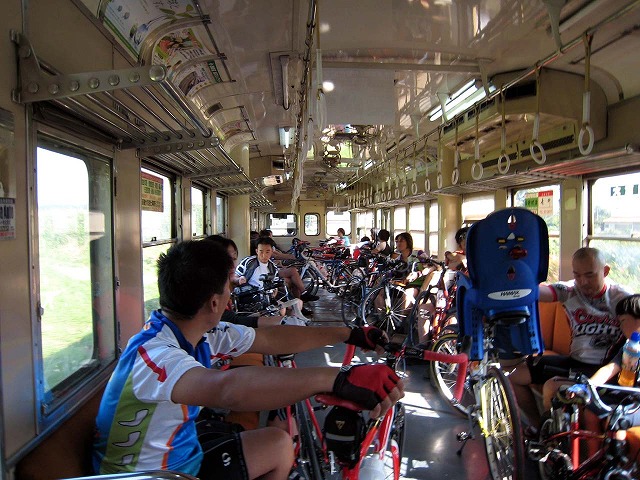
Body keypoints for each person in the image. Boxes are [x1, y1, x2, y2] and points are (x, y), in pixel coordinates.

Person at [92, 240, 404, 478]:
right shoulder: (155, 356)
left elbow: (269, 338)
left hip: (184, 455)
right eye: (229, 287)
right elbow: (226, 388)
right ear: (215, 302)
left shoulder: (194, 330)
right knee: (279, 445)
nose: (232, 293)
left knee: (279, 445)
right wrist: (334, 378)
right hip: (152, 475)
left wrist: (347, 334)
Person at [508, 247, 633, 428]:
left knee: (552, 386)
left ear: (605, 271)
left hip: (604, 368)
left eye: (590, 275)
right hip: (575, 363)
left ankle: (556, 440)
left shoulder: (622, 297)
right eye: (577, 275)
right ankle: (538, 429)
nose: (583, 282)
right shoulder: (570, 290)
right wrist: (512, 279)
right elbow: (536, 293)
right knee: (513, 376)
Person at [206, 235, 304, 328]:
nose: (233, 265)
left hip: (267, 296)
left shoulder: (272, 266)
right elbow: (232, 321)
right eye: (261, 251)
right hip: (249, 295)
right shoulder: (248, 263)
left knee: (294, 304)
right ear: (256, 251)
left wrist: (275, 292)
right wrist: (239, 280)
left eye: (234, 259)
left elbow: (275, 283)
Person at [258, 229, 318, 305]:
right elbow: (276, 255)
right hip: (269, 272)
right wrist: (294, 257)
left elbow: (277, 253)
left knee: (294, 280)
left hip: (273, 269)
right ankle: (303, 294)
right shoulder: (264, 247)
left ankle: (299, 305)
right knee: (293, 271)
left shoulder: (269, 245)